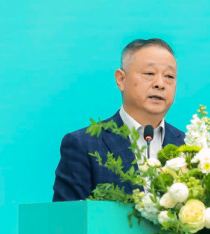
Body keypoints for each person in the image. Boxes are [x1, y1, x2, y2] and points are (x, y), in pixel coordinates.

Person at [52, 38, 186, 202]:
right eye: (149, 74)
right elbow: (69, 216)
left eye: (169, 76)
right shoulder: (84, 145)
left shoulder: (190, 148)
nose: (160, 84)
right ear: (121, 79)